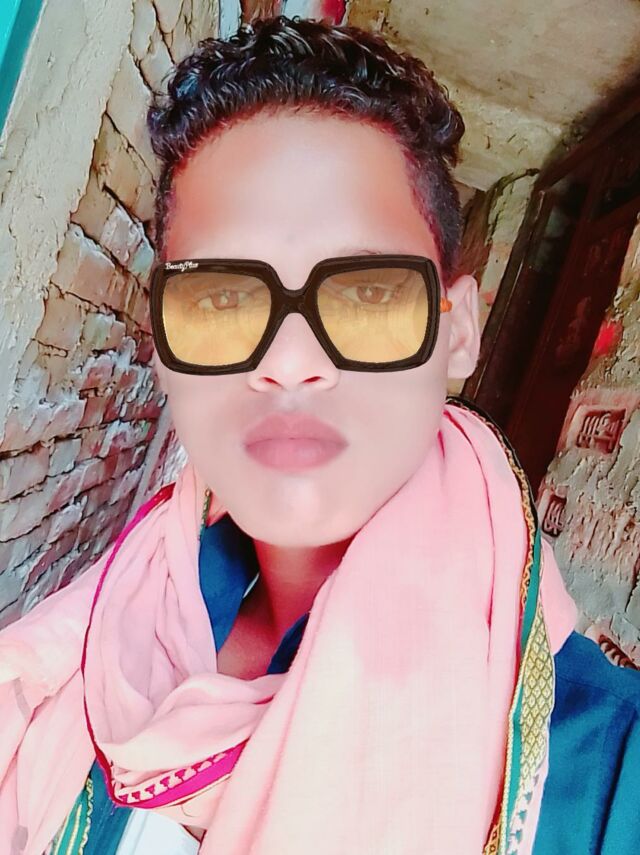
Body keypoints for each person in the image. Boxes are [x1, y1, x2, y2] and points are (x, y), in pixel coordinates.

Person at [0, 15, 638, 855]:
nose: (290, 362)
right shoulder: (106, 631)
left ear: (459, 331)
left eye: (368, 293)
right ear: (162, 341)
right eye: (222, 297)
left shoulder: (603, 774)